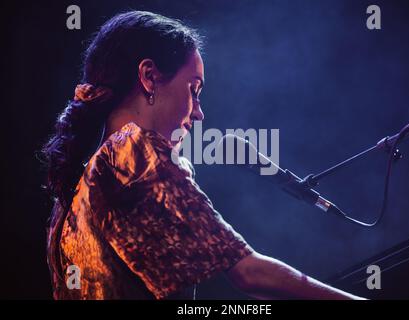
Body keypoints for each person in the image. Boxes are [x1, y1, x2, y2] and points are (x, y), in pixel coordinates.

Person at [42, 10, 362, 300]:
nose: (199, 114)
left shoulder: (73, 191)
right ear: (149, 77)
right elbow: (248, 272)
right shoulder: (133, 152)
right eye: (193, 90)